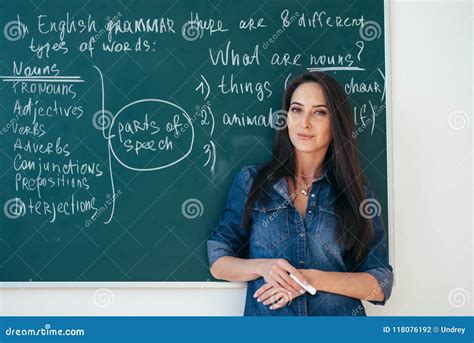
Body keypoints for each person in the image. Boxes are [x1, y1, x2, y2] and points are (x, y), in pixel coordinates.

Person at [207, 71, 394, 316]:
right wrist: (265, 267)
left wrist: (310, 279)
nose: (304, 123)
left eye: (319, 112)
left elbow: (381, 284)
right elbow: (219, 261)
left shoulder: (357, 194)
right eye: (296, 110)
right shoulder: (252, 182)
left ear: (335, 121)